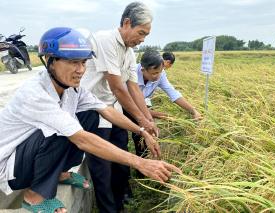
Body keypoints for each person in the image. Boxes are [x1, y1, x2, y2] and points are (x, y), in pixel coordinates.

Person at [0, 27, 180, 213]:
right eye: (73, 62)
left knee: (91, 115)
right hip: (14, 169)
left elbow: (107, 110)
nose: (81, 70)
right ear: (50, 61)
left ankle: (61, 173)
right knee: (64, 129)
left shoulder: (72, 89)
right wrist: (140, 162)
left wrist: (141, 131)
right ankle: (34, 196)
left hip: (34, 156)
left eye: (84, 62)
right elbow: (82, 139)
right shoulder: (36, 93)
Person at [80, 2, 160, 213]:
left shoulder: (129, 51)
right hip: (94, 111)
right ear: (127, 23)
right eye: (141, 32)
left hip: (113, 111)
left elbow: (134, 88)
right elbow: (117, 87)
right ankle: (109, 210)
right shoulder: (106, 40)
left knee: (121, 164)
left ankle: (119, 206)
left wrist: (148, 121)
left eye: (146, 35)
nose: (142, 39)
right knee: (102, 168)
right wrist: (141, 122)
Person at [124, 50, 202, 179]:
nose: (159, 76)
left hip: (141, 107)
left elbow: (172, 92)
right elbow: (131, 106)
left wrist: (193, 110)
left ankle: (142, 173)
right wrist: (160, 115)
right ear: (143, 71)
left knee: (142, 139)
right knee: (121, 141)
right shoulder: (130, 75)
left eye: (160, 72)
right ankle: (124, 178)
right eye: (155, 73)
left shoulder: (159, 74)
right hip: (122, 108)